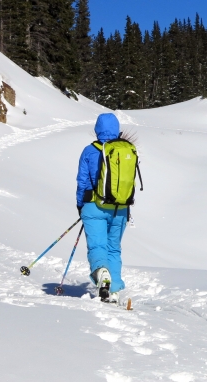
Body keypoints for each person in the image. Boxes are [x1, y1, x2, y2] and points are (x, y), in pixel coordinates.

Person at [76, 113, 129, 303]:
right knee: (113, 248)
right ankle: (113, 291)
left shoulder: (89, 151)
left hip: (94, 206)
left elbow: (82, 181)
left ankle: (102, 274)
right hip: (121, 208)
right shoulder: (126, 150)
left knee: (97, 247)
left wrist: (80, 204)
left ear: (97, 130)